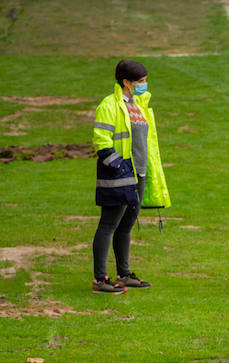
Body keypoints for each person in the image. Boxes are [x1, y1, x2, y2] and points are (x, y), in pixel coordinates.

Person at [90, 59, 170, 294]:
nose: (145, 85)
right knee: (108, 224)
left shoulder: (139, 103)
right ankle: (99, 279)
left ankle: (123, 274)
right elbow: (101, 141)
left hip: (139, 173)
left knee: (126, 225)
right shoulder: (109, 105)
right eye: (141, 81)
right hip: (120, 173)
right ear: (126, 82)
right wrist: (120, 167)